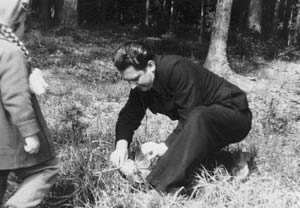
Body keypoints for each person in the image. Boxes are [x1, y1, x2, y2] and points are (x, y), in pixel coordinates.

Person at [110, 41, 252, 194]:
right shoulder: (140, 85)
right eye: (128, 81)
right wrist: (121, 147)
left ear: (150, 66)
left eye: (136, 78)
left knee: (194, 123)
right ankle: (234, 161)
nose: (133, 86)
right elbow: (128, 116)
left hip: (235, 117)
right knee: (183, 158)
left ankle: (160, 189)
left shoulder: (176, 69)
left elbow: (190, 115)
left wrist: (164, 146)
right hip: (203, 123)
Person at [0, 1, 59, 207]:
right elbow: (15, 96)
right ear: (15, 24)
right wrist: (30, 133)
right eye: (24, 25)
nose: (25, 31)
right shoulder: (10, 51)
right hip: (8, 137)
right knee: (46, 168)